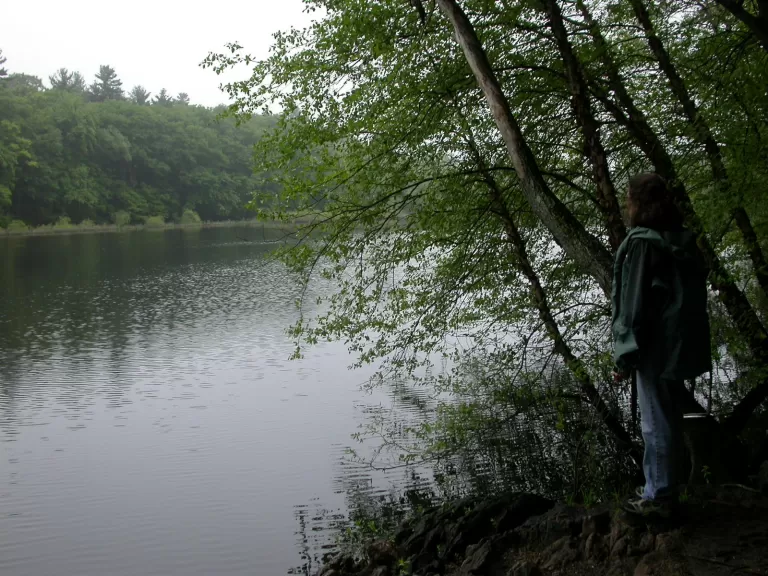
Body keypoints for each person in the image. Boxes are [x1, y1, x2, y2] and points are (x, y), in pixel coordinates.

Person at [611, 173, 712, 516]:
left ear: (639, 203)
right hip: (676, 342)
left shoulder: (643, 243)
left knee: (655, 422)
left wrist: (624, 357)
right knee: (668, 416)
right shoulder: (677, 237)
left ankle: (659, 498)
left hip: (653, 344)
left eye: (629, 199)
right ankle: (662, 485)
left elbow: (635, 305)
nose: (627, 205)